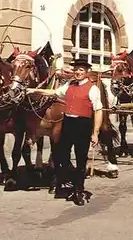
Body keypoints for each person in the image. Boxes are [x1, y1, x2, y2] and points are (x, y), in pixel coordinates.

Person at [28, 59, 103, 206]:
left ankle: (79, 190)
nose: (78, 72)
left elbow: (98, 111)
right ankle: (70, 180)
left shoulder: (93, 89)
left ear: (86, 72)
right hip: (68, 123)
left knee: (81, 160)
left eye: (81, 69)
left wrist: (95, 133)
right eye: (76, 69)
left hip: (83, 124)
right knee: (61, 156)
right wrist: (35, 90)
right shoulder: (69, 85)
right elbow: (54, 92)